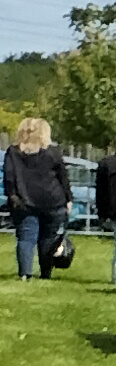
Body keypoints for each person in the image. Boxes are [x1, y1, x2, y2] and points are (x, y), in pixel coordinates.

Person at [4, 116, 67, 278]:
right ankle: (45, 273)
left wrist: (12, 195)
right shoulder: (52, 151)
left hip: (24, 200)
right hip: (53, 199)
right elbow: (62, 177)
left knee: (26, 238)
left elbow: (9, 177)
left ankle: (25, 273)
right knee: (48, 238)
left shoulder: (13, 152)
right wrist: (68, 198)